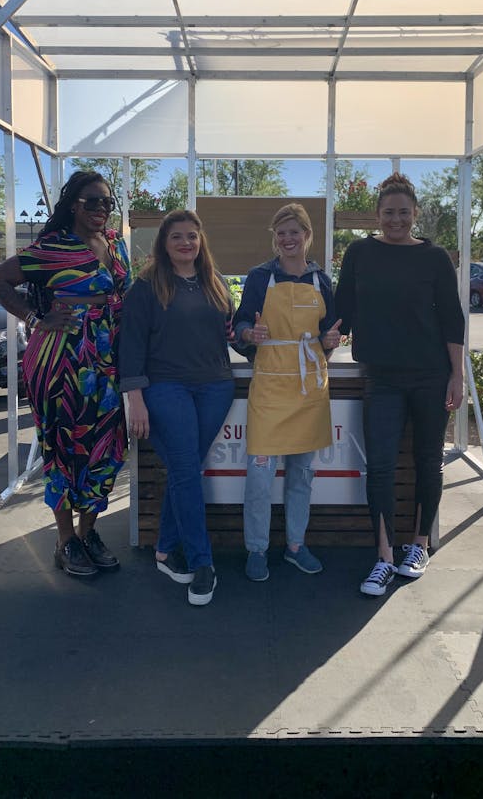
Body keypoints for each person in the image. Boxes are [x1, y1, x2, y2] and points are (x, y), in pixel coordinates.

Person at [0, 171, 131, 578]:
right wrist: (34, 317)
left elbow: (129, 296)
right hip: (61, 358)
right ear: (73, 205)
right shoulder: (52, 248)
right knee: (65, 447)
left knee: (105, 447)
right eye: (91, 201)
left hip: (107, 359)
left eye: (106, 202)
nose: (100, 209)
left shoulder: (116, 244)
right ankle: (65, 541)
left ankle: (89, 533)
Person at [335, 172, 465, 597]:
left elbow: (452, 319)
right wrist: (325, 334)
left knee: (429, 461)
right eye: (388, 212)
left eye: (403, 212)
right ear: (377, 215)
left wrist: (456, 375)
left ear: (415, 214)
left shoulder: (434, 258)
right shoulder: (359, 253)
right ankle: (385, 556)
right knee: (381, 467)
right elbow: (342, 309)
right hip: (382, 377)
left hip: (430, 376)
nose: (396, 219)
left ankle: (420, 545)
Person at [119, 210, 234, 607]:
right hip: (166, 388)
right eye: (177, 237)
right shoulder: (146, 288)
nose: (186, 243)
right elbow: (130, 347)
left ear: (201, 242)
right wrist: (134, 399)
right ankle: (203, 563)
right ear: (164, 244)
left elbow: (231, 335)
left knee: (186, 471)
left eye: (192, 236)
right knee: (186, 470)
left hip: (216, 388)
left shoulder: (214, 284)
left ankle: (165, 549)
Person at [233, 203, 341, 582]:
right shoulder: (260, 277)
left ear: (307, 236)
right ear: (274, 239)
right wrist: (249, 333)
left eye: (295, 232)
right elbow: (241, 322)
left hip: (309, 387)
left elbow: (331, 331)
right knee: (260, 477)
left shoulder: (322, 280)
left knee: (302, 475)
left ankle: (296, 545)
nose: (288, 239)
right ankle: (257, 549)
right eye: (281, 233)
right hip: (269, 385)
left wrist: (331, 339)